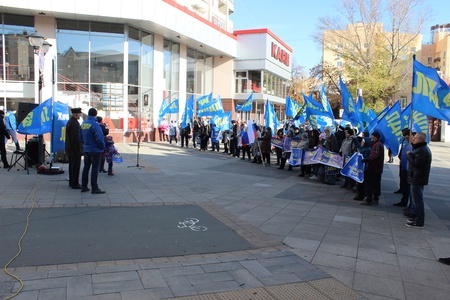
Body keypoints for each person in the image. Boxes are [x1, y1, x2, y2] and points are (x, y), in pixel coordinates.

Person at [405, 132, 432, 228]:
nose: (413, 139)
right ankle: (416, 218)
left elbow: (417, 164)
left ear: (421, 139)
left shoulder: (421, 150)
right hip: (417, 177)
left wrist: (409, 156)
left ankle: (419, 221)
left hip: (417, 178)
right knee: (416, 199)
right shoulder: (420, 148)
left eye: (415, 138)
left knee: (418, 200)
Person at [81, 108, 106, 194]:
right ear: (95, 114)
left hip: (86, 148)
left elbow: (80, 136)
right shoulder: (95, 125)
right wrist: (102, 146)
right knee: (95, 169)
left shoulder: (83, 124)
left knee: (86, 168)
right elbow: (99, 137)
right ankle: (94, 187)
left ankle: (84, 186)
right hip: (95, 150)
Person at [360, 131, 384, 206]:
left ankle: (369, 199)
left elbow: (375, 155)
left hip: (374, 168)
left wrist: (367, 159)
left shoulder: (377, 145)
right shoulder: (376, 144)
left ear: (375, 137)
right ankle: (375, 198)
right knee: (376, 184)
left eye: (372, 136)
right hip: (376, 168)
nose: (371, 137)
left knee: (370, 184)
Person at [65, 108, 83, 189]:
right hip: (74, 149)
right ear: (76, 114)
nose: (80, 115)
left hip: (71, 148)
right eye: (79, 114)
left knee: (72, 166)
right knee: (75, 166)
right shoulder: (74, 124)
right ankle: (74, 183)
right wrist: (78, 150)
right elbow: (75, 138)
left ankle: (72, 181)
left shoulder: (71, 122)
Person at [393, 129, 411, 207]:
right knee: (403, 182)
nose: (405, 138)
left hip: (408, 167)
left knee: (408, 186)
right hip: (403, 164)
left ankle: (406, 201)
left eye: (407, 137)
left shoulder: (412, 143)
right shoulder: (404, 140)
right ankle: (402, 194)